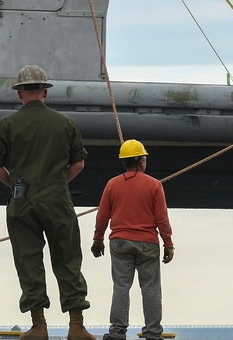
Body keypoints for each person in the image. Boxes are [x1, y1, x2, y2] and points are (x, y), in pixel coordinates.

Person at [0, 64, 95, 340]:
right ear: (45, 91)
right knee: (68, 259)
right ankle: (77, 326)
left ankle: (38, 326)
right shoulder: (66, 123)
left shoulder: (8, 124)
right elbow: (79, 164)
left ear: (20, 93)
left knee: (29, 259)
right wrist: (57, 183)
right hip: (58, 199)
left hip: (23, 201)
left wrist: (16, 186)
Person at [91, 139, 173, 340]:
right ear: (141, 161)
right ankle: (153, 333)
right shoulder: (155, 185)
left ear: (124, 162)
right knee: (151, 289)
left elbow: (103, 215)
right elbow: (161, 218)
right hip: (148, 243)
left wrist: (98, 239)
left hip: (119, 242)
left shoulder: (112, 184)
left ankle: (117, 332)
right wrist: (168, 244)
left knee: (121, 287)